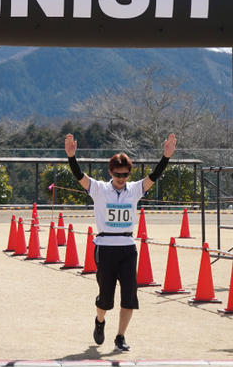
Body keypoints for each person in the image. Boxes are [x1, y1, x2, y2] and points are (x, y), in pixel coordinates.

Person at [64, 133, 177, 352]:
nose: (121, 178)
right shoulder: (99, 189)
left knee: (129, 295)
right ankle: (99, 320)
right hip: (105, 248)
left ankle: (120, 336)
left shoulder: (134, 189)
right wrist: (71, 157)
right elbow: (80, 176)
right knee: (105, 298)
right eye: (117, 174)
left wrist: (166, 157)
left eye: (125, 174)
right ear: (110, 172)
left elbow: (154, 176)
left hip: (127, 248)